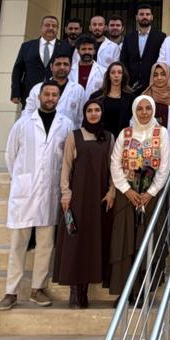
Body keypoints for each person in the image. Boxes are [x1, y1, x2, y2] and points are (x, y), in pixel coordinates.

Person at [0, 81, 73, 309]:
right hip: (25, 191)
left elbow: (67, 158)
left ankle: (37, 288)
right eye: (47, 94)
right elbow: (10, 155)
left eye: (54, 95)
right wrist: (20, 179)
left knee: (45, 244)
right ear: (39, 96)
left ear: (59, 98)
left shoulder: (66, 124)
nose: (50, 98)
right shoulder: (23, 124)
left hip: (49, 192)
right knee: (18, 245)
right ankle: (11, 291)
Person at [108, 95, 170, 297]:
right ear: (134, 111)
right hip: (126, 196)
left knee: (148, 240)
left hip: (150, 197)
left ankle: (143, 291)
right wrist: (126, 190)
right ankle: (124, 292)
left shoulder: (161, 133)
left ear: (153, 110)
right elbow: (115, 163)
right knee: (124, 241)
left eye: (148, 108)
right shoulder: (125, 134)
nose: (144, 112)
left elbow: (165, 166)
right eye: (140, 108)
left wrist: (150, 192)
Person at [53, 98, 113, 309]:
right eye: (90, 110)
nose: (94, 113)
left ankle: (84, 291)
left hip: (99, 200)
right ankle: (74, 291)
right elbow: (66, 166)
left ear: (102, 113)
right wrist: (65, 193)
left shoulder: (109, 137)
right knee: (75, 243)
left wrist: (112, 191)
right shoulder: (74, 136)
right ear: (84, 114)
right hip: (77, 199)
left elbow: (112, 167)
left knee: (91, 244)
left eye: (97, 110)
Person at [11, 15, 71, 106]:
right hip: (29, 92)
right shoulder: (27, 46)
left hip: (57, 95)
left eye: (54, 26)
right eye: (47, 25)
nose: (51, 28)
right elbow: (18, 70)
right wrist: (15, 92)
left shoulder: (66, 47)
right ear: (41, 27)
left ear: (58, 29)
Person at [120, 5, 166, 90]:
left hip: (153, 84)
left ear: (152, 17)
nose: (144, 17)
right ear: (136, 17)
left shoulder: (161, 37)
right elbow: (123, 60)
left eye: (147, 14)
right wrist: (126, 81)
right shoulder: (128, 37)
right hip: (131, 85)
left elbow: (162, 60)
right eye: (141, 14)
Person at [93, 62, 133, 135]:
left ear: (123, 76)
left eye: (119, 72)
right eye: (113, 72)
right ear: (108, 76)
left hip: (122, 137)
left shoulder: (130, 97)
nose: (116, 75)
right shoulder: (96, 96)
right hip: (100, 137)